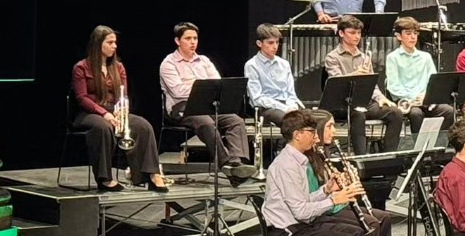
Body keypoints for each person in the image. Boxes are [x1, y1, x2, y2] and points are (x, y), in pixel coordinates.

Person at [261, 110, 370, 236]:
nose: (315, 136)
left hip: (299, 226)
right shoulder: (286, 166)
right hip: (286, 233)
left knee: (356, 232)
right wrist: (333, 200)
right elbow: (301, 212)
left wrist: (326, 190)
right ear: (297, 134)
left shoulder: (296, 161)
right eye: (311, 131)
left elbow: (304, 200)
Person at [306, 110, 395, 236]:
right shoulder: (308, 161)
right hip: (325, 211)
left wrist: (346, 181)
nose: (334, 132)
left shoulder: (324, 153)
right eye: (329, 127)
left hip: (335, 205)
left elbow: (330, 187)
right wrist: (342, 194)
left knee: (383, 217)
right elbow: (314, 196)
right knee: (370, 223)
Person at [71, 26, 162, 192]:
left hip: (114, 111)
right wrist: (104, 113)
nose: (114, 46)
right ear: (98, 44)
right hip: (90, 113)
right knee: (103, 127)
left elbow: (123, 94)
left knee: (143, 126)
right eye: (110, 42)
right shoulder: (81, 67)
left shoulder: (118, 67)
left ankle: (148, 174)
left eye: (115, 42)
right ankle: (104, 178)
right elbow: (81, 98)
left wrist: (122, 112)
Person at [158, 22, 253, 180]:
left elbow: (217, 84)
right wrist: (201, 86)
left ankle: (237, 163)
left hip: (206, 105)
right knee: (205, 123)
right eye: (188, 38)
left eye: (195, 38)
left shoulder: (204, 61)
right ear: (177, 41)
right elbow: (178, 91)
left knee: (235, 120)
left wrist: (195, 85)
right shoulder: (168, 64)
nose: (193, 42)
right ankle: (226, 164)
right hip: (181, 108)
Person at [323, 15, 405, 155]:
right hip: (343, 104)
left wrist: (381, 98)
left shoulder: (364, 57)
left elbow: (372, 85)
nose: (356, 37)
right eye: (352, 33)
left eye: (359, 33)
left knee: (395, 112)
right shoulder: (332, 57)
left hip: (364, 101)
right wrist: (355, 74)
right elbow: (336, 82)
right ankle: (361, 159)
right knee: (359, 114)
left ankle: (387, 157)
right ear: (342, 33)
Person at [384, 17, 456, 138]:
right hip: (408, 101)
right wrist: (413, 100)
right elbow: (393, 85)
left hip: (426, 100)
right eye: (408, 33)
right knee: (416, 114)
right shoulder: (393, 58)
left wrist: (426, 96)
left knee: (448, 111)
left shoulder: (425, 57)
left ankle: (436, 142)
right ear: (399, 36)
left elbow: (433, 81)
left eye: (415, 33)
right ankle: (419, 147)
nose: (413, 37)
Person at [245, 23, 303, 130]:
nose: (275, 46)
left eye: (277, 42)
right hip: (267, 108)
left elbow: (291, 93)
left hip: (286, 105)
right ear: (259, 43)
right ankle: (285, 146)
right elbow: (257, 98)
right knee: (290, 122)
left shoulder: (284, 64)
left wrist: (292, 106)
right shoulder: (252, 65)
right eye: (270, 43)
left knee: (313, 118)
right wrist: (285, 108)